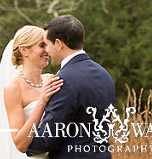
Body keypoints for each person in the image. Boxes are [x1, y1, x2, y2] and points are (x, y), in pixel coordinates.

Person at [26, 15, 115, 159]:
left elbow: (48, 138)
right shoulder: (104, 74)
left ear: (59, 44)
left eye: (47, 44)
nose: (47, 51)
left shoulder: (63, 81)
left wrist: (25, 146)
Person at [0, 25, 63, 159]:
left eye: (47, 45)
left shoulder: (50, 79)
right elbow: (19, 142)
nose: (47, 50)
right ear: (24, 50)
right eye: (41, 45)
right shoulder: (13, 88)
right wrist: (42, 101)